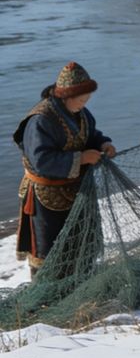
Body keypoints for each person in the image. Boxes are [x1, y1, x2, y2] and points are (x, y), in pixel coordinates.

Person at [13, 61, 116, 276]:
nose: (84, 104)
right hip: (46, 198)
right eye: (81, 100)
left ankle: (77, 284)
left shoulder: (81, 113)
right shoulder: (41, 120)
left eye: (86, 99)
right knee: (48, 250)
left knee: (79, 242)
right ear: (65, 96)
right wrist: (81, 159)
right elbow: (42, 161)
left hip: (76, 191)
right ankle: (45, 296)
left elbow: (90, 136)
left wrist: (103, 144)